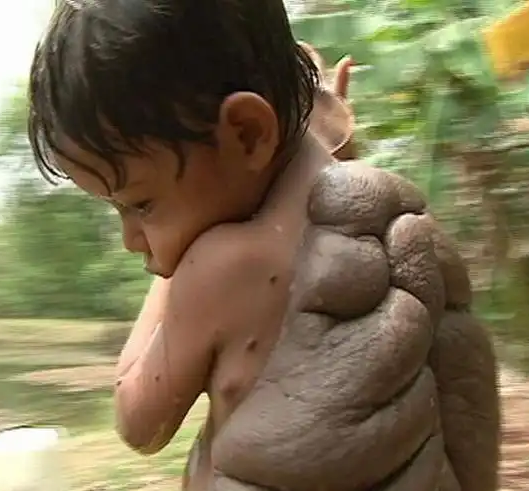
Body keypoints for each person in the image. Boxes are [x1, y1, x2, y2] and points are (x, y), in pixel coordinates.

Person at [27, 1, 500, 490]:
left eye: (141, 204)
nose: (131, 239)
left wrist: (177, 273)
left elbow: (138, 421)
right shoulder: (397, 221)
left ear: (249, 133)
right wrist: (332, 144)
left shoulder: (222, 267)